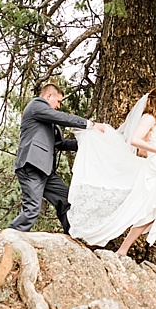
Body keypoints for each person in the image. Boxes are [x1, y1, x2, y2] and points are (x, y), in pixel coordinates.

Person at [68, 87, 156, 258]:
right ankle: (125, 249)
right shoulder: (148, 118)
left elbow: (143, 150)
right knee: (153, 212)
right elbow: (134, 140)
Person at [7, 83, 105, 232]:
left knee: (66, 201)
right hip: (31, 166)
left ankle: (72, 235)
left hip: (46, 171)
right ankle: (9, 238)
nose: (59, 106)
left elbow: (60, 143)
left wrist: (86, 144)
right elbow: (60, 117)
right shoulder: (36, 105)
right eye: (58, 101)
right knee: (32, 209)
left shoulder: (49, 122)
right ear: (48, 96)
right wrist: (89, 124)